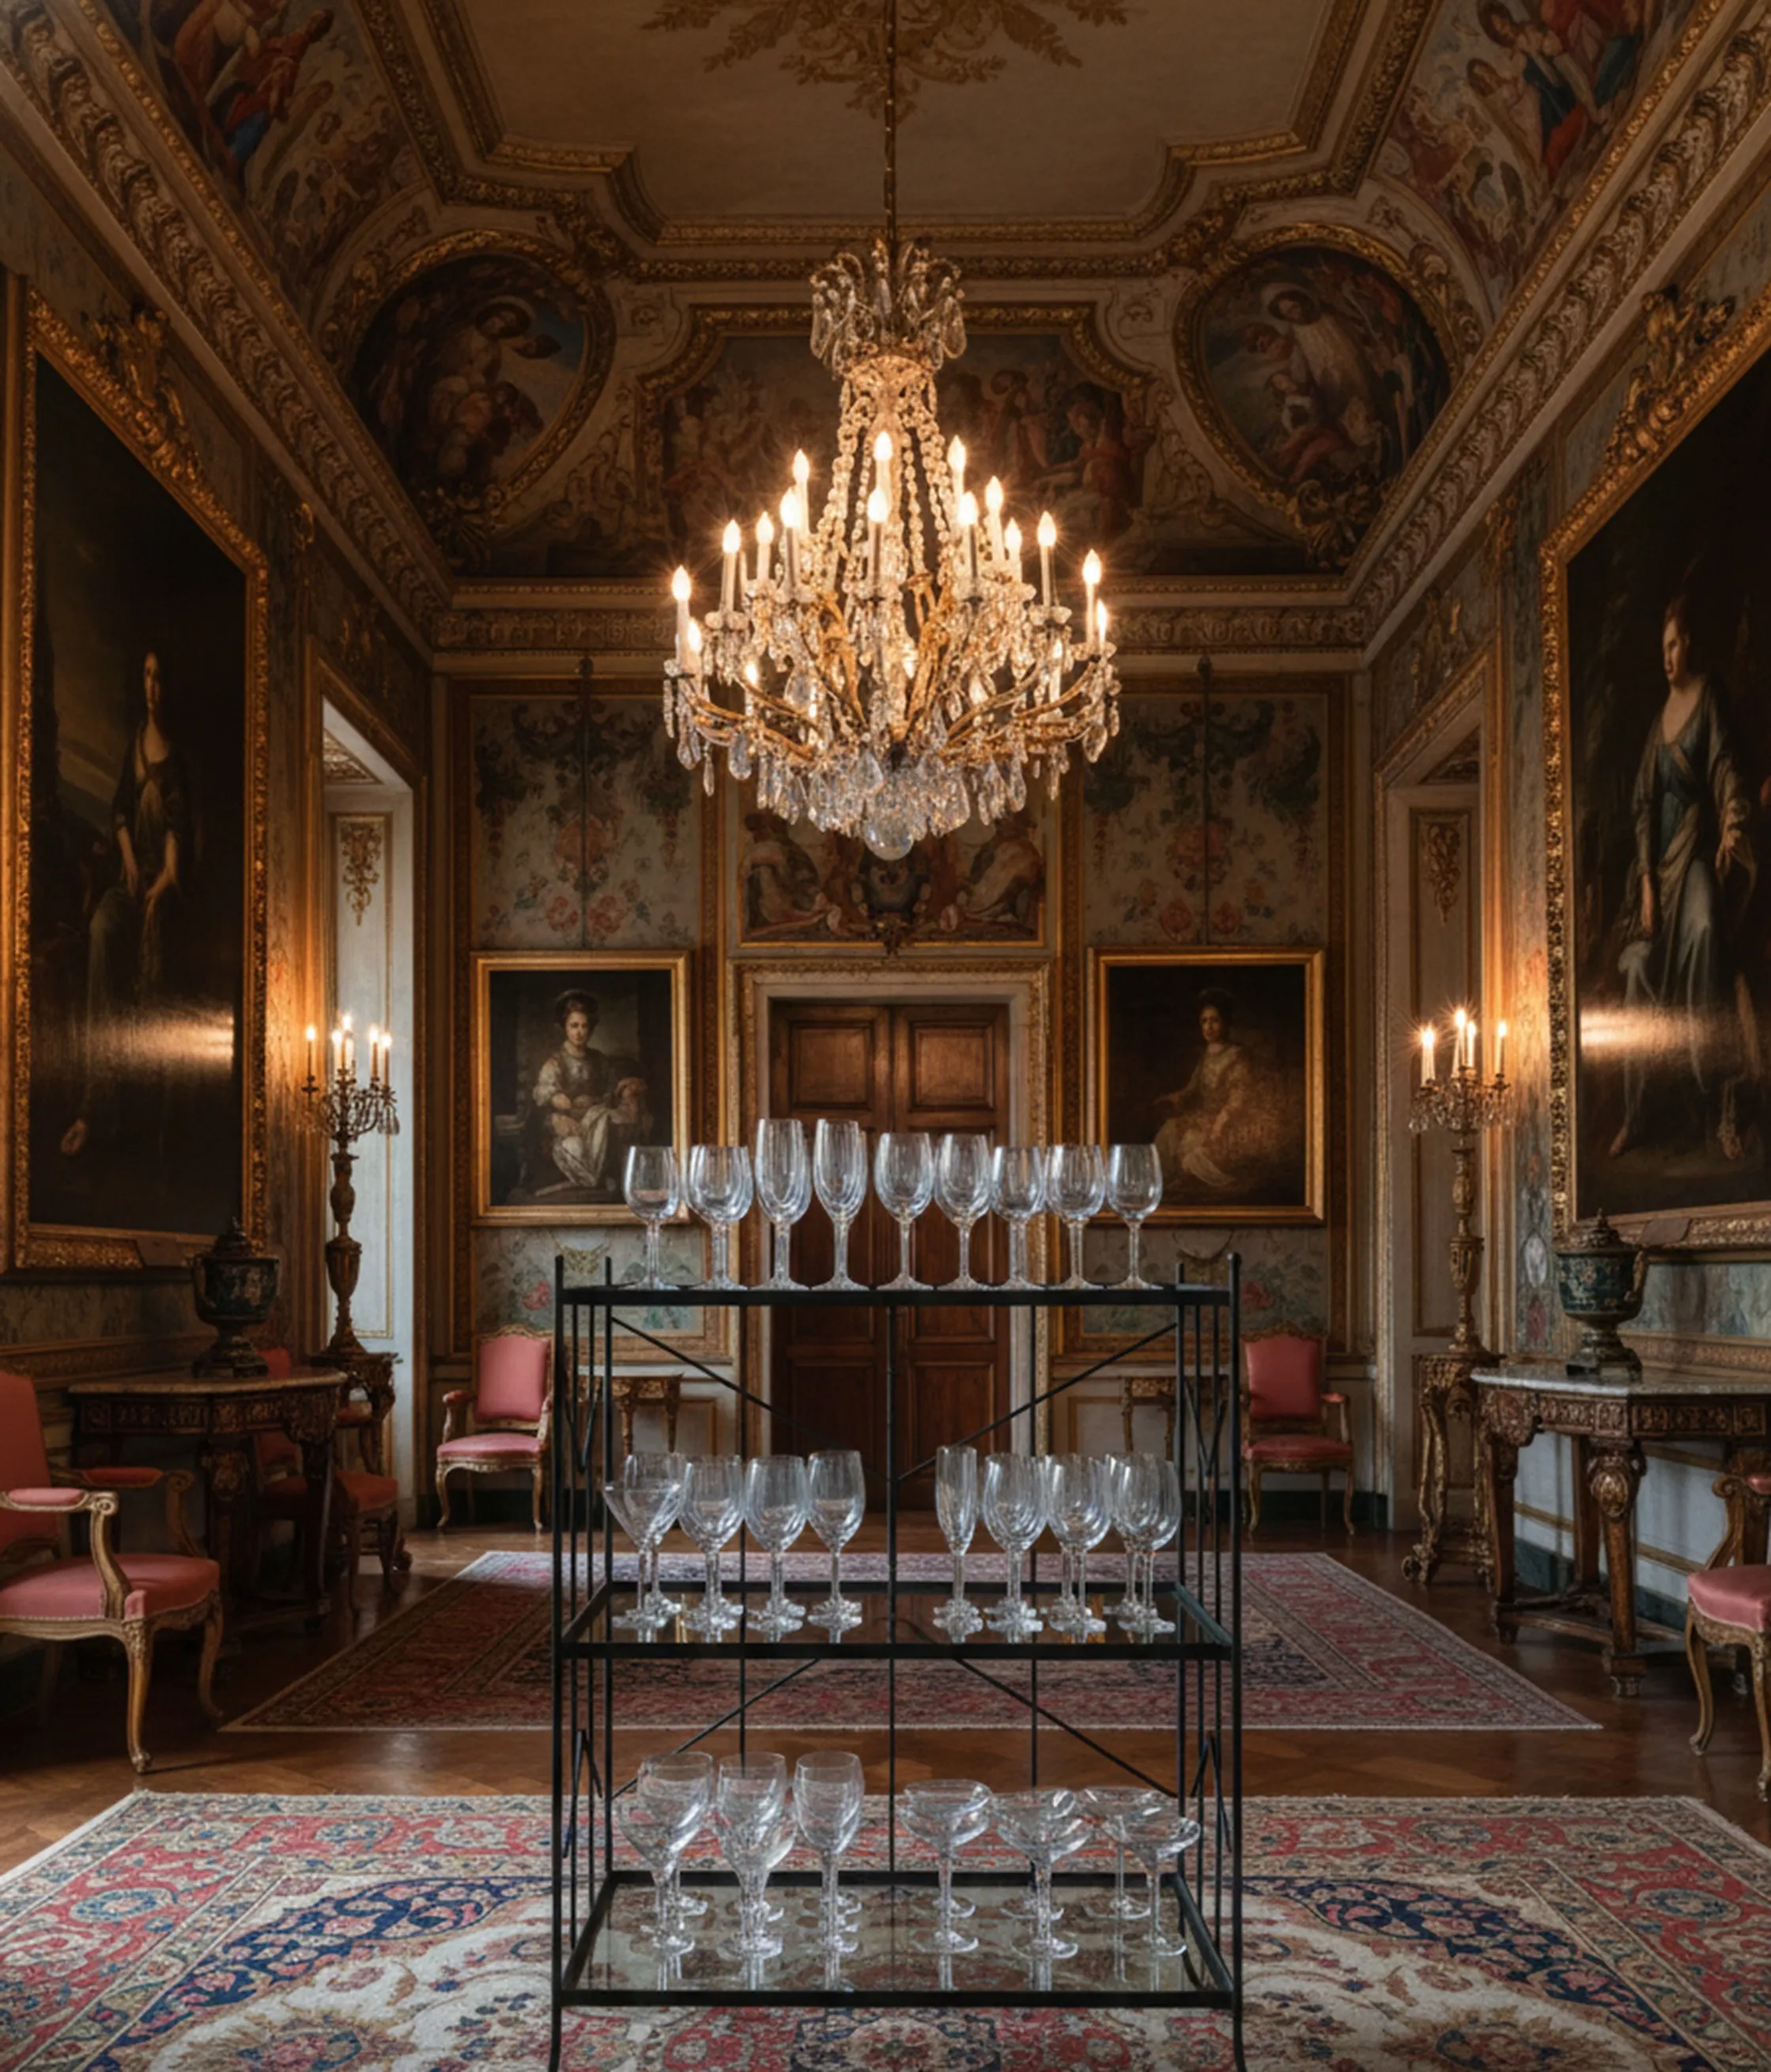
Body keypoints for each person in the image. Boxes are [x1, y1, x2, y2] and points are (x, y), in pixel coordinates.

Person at [1610, 593, 1755, 1159]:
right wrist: (1647, 884)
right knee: (1637, 969)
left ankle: (1710, 1088)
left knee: (1701, 933)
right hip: (1657, 875)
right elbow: (1643, 807)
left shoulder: (1708, 696)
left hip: (1696, 857)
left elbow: (1724, 767)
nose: (1666, 658)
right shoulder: (1657, 724)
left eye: (1673, 645)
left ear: (1688, 642)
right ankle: (1639, 1112)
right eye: (1661, 649)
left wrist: (1733, 827)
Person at [60, 650, 193, 1161]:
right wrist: (130, 863)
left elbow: (180, 831)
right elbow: (119, 811)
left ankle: (146, 1128)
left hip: (163, 893)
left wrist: (164, 878)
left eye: (160, 676)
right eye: (147, 675)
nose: (152, 685)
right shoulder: (134, 744)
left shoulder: (175, 758)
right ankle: (95, 1103)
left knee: (152, 981)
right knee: (99, 929)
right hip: (132, 883)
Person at [1152, 989, 1283, 1198]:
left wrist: (1218, 1124)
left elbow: (1237, 1101)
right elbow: (1192, 1090)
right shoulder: (1206, 1056)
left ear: (1226, 1023)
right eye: (1204, 1021)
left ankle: (1181, 1182)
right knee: (1169, 1130)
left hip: (1231, 1122)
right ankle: (1157, 1186)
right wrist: (1172, 1098)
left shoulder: (1238, 1057)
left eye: (1214, 1021)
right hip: (1205, 1119)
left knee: (1191, 1145)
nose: (1208, 1027)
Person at [523, 991, 650, 1197]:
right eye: (574, 1026)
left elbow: (611, 1088)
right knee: (574, 1146)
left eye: (584, 1026)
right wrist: (555, 1097)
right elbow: (543, 1092)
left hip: (597, 1122)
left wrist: (625, 1087)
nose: (579, 1032)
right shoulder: (556, 1062)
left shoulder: (599, 1059)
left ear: (590, 1029)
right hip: (570, 1125)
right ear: (565, 1027)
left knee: (607, 1118)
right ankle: (591, 1177)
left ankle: (604, 1174)